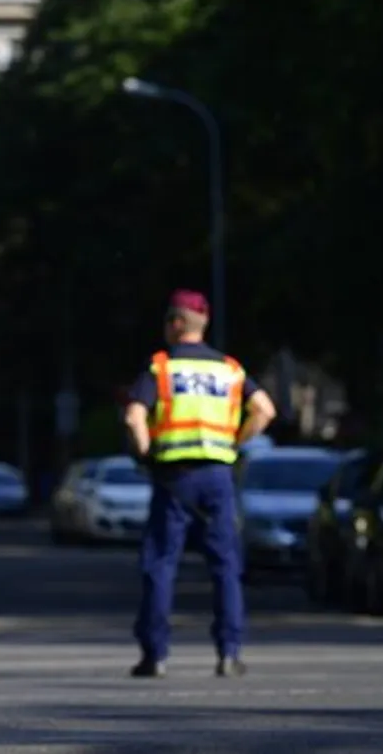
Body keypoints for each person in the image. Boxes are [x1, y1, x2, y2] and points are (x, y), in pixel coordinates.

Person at [122, 289, 278, 678]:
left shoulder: (161, 368)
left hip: (174, 477)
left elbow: (133, 417)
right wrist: (235, 442)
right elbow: (265, 410)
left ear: (176, 324)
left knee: (161, 563)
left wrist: (144, 452)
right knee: (225, 565)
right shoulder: (229, 369)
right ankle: (228, 653)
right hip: (218, 476)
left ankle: (155, 655)